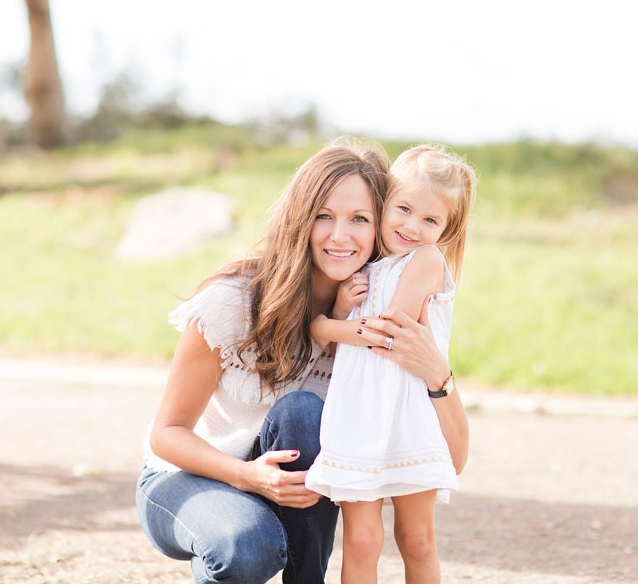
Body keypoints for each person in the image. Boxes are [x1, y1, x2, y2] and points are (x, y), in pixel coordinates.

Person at [134, 139, 459, 584]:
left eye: (359, 218)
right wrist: (247, 476)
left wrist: (439, 374)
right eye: (324, 215)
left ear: (380, 225)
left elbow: (454, 459)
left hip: (280, 478)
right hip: (192, 477)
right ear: (299, 218)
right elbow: (166, 435)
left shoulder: (382, 306)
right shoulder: (232, 303)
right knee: (247, 545)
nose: (340, 235)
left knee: (306, 415)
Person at [304, 145, 476, 584]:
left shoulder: (426, 259)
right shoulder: (371, 265)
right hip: (359, 414)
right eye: (403, 209)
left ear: (446, 230)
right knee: (361, 540)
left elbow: (386, 333)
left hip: (409, 415)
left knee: (415, 537)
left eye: (430, 220)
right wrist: (343, 306)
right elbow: (357, 328)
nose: (412, 226)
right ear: (385, 204)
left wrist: (323, 326)